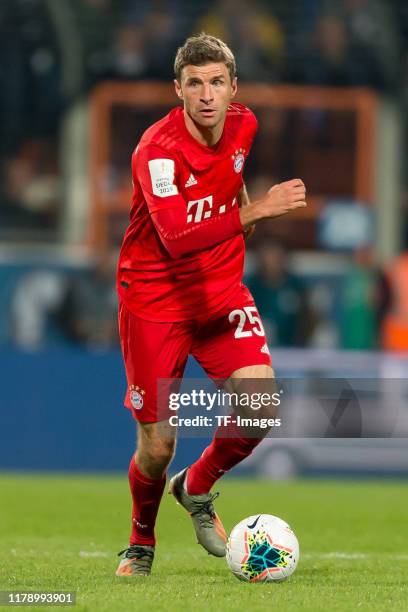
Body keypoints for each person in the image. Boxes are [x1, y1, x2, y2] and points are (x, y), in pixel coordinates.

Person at [115, 33, 306, 577]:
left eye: (216, 82)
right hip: (156, 300)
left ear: (233, 87)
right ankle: (141, 541)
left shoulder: (246, 124)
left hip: (220, 293)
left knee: (260, 408)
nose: (206, 95)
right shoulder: (156, 150)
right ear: (178, 89)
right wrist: (258, 212)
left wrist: (244, 206)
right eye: (194, 83)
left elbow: (231, 180)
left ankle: (195, 487)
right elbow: (174, 235)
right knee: (157, 445)